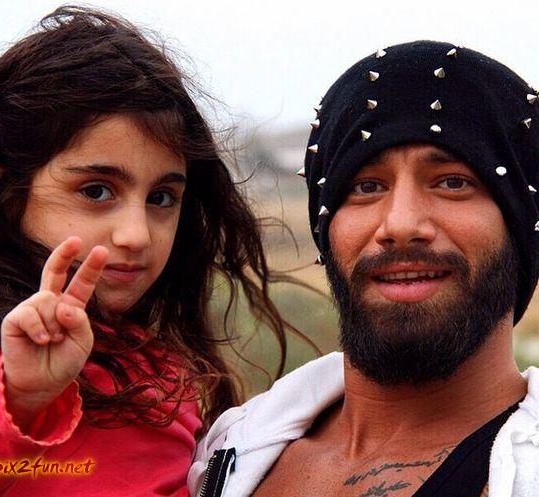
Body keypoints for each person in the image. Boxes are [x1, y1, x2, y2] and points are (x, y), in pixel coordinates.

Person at [0, 6, 297, 496]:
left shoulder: (155, 366)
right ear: (2, 189)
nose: (137, 235)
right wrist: (19, 400)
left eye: (161, 198)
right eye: (96, 191)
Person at [189, 41, 539, 497]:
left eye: (453, 182)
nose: (400, 225)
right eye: (366, 186)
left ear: (523, 225)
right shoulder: (226, 451)